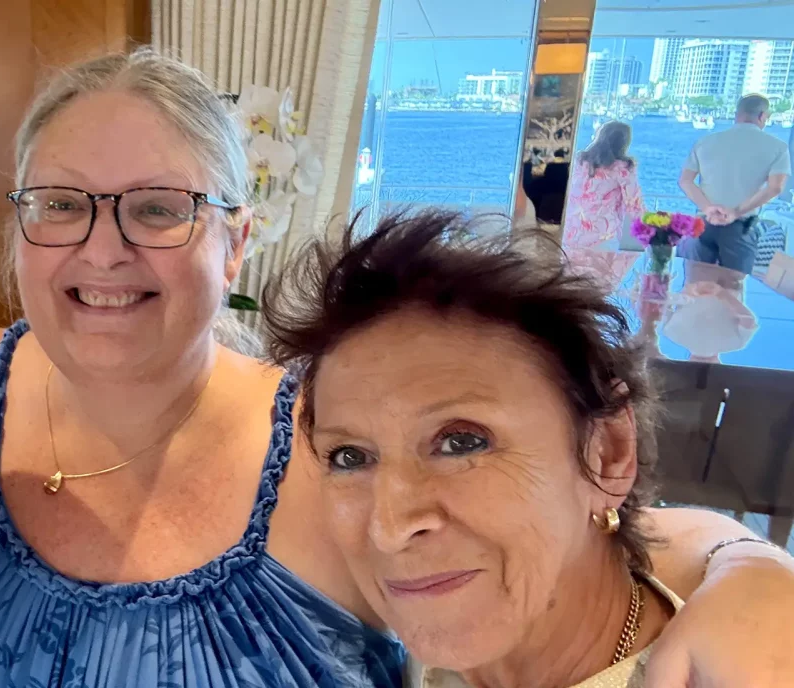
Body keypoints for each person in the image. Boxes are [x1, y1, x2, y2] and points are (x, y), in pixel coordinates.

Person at [0, 50, 794, 688]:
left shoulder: (332, 441)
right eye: (63, 203)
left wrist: (750, 571)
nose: (103, 248)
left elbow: (566, 524)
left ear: (234, 244)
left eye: (159, 210)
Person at [264, 210, 793, 687]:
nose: (390, 524)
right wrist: (746, 560)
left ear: (607, 453)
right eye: (350, 457)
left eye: (461, 441)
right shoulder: (388, 641)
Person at [678, 94, 792, 274]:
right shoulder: (778, 147)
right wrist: (735, 212)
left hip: (702, 224)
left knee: (695, 286)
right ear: (762, 116)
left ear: (737, 114)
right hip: (740, 227)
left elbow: (685, 181)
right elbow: (776, 187)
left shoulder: (705, 142)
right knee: (732, 289)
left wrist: (708, 208)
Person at [563, 121, 644, 251]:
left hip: (571, 230)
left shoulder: (581, 161)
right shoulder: (622, 168)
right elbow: (633, 203)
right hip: (602, 234)